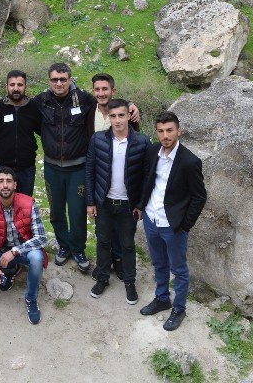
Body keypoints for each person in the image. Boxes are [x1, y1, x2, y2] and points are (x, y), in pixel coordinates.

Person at [135, 112, 207, 332]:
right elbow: (147, 180)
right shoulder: (152, 151)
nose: (165, 136)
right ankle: (162, 298)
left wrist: (185, 225)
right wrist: (141, 205)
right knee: (159, 263)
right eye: (160, 131)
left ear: (178, 131)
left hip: (173, 224)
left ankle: (179, 308)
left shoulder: (189, 161)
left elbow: (199, 196)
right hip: (151, 217)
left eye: (169, 130)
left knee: (179, 269)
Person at [85, 99, 151, 305]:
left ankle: (130, 282)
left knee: (127, 245)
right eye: (112, 116)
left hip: (127, 205)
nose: (117, 120)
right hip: (104, 202)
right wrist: (90, 202)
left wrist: (140, 205)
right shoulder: (98, 139)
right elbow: (90, 171)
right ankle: (103, 278)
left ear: (128, 116)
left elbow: (147, 176)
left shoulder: (142, 141)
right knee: (103, 241)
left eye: (121, 115)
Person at [32, 62, 95, 273]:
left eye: (63, 79)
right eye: (54, 80)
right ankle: (63, 246)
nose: (59, 83)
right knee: (57, 211)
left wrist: (130, 104)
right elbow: (19, 106)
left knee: (77, 212)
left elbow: (108, 105)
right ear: (49, 81)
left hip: (78, 168)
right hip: (52, 168)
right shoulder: (41, 101)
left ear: (70, 79)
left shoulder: (85, 100)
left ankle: (78, 249)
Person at [0, 167, 48, 325]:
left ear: (15, 185)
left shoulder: (29, 203)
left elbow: (41, 238)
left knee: (37, 258)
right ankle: (9, 271)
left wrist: (15, 251)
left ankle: (31, 299)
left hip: (23, 250)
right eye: (1, 181)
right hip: (0, 252)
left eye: (9, 181)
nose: (5, 185)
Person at [88, 73, 140, 282]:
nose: (101, 93)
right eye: (97, 90)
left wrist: (131, 106)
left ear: (113, 90)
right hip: (99, 177)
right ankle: (104, 265)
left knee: (123, 230)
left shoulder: (127, 114)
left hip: (122, 183)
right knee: (103, 228)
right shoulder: (87, 108)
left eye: (105, 89)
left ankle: (118, 262)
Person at [0, 70, 41, 196]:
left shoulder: (33, 108)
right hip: (3, 167)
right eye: (12, 85)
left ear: (25, 87)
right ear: (6, 87)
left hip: (27, 168)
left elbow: (42, 130)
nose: (16, 88)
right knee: (2, 207)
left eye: (20, 85)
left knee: (25, 207)